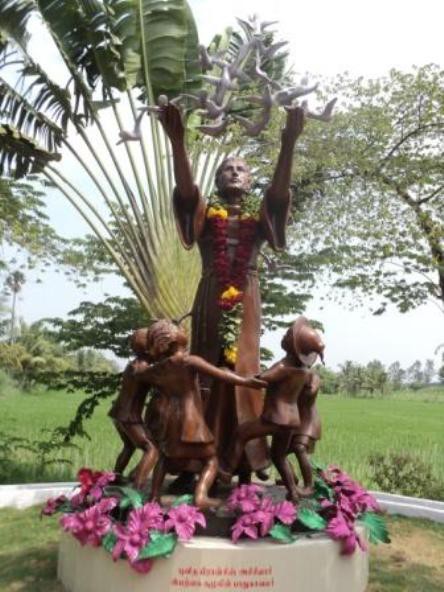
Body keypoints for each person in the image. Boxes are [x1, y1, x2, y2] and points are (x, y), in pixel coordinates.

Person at [156, 103, 306, 480]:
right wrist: (177, 142)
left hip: (247, 295)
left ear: (250, 181)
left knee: (244, 368)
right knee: (208, 366)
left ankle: (244, 462)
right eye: (227, 169)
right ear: (218, 180)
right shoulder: (207, 215)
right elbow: (186, 193)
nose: (235, 173)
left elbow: (279, 196)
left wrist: (289, 142)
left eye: (242, 169)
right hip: (211, 292)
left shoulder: (258, 218)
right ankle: (195, 458)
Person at [130, 320, 266, 509]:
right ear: (171, 338)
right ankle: (201, 496)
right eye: (177, 329)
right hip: (189, 420)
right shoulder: (188, 361)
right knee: (211, 459)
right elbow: (221, 374)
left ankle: (154, 496)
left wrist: (139, 366)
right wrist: (247, 381)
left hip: (169, 421)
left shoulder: (159, 368)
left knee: (165, 458)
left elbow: (139, 374)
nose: (182, 331)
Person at [219, 317, 324, 501]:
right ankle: (293, 492)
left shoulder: (283, 367)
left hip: (276, 418)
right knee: (279, 456)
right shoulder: (304, 372)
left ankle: (226, 470)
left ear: (294, 346)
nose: (284, 336)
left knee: (242, 433)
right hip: (292, 421)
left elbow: (262, 379)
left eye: (288, 335)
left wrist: (235, 375)